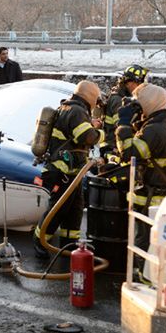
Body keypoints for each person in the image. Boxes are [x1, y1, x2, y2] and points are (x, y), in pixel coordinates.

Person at [32, 81, 104, 258]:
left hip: (71, 171)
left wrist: (90, 123)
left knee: (75, 209)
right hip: (61, 171)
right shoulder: (77, 111)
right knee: (58, 208)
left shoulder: (69, 108)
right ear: (90, 97)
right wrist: (101, 132)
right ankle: (39, 240)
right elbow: (86, 136)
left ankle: (69, 245)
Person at [115, 83, 166, 267]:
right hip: (157, 195)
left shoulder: (155, 129)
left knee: (144, 245)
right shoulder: (162, 123)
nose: (136, 108)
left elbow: (129, 153)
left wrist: (124, 125)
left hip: (151, 199)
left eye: (138, 103)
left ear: (149, 103)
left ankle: (142, 280)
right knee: (148, 242)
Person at [101, 64, 148, 158]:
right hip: (114, 148)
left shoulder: (124, 95)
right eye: (138, 83)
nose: (140, 87)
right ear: (128, 82)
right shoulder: (118, 100)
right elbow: (121, 127)